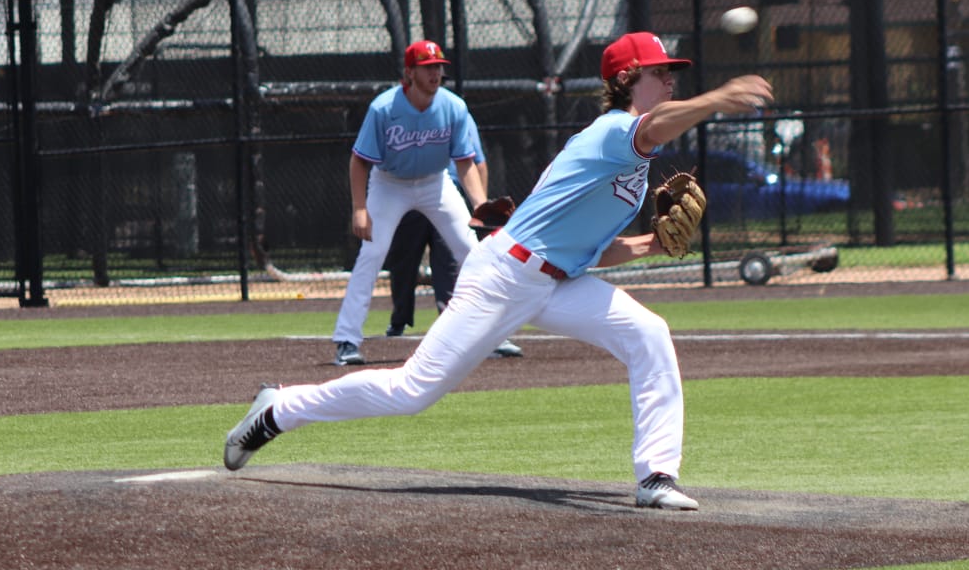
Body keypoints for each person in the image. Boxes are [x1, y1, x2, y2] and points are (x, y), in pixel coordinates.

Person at [225, 31, 773, 510]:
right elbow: (657, 125)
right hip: (503, 277)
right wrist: (719, 99)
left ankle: (656, 475)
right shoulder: (613, 132)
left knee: (648, 332)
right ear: (629, 79)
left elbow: (587, 252)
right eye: (662, 73)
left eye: (672, 74)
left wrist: (651, 244)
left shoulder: (633, 162)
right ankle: (280, 408)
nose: (671, 81)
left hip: (557, 282)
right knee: (412, 391)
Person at [329, 38, 517, 366]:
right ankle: (347, 340)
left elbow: (464, 162)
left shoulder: (453, 107)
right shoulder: (383, 109)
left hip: (435, 183)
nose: (435, 74)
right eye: (427, 68)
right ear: (409, 72)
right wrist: (359, 208)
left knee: (472, 253)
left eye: (439, 68)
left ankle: (492, 336)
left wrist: (480, 203)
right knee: (372, 254)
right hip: (390, 184)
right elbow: (359, 161)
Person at [382, 125, 521, 357]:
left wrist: (481, 206)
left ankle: (472, 331)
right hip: (410, 192)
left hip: (450, 196)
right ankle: (399, 318)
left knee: (456, 266)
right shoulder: (409, 111)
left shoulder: (457, 112)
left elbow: (479, 162)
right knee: (403, 263)